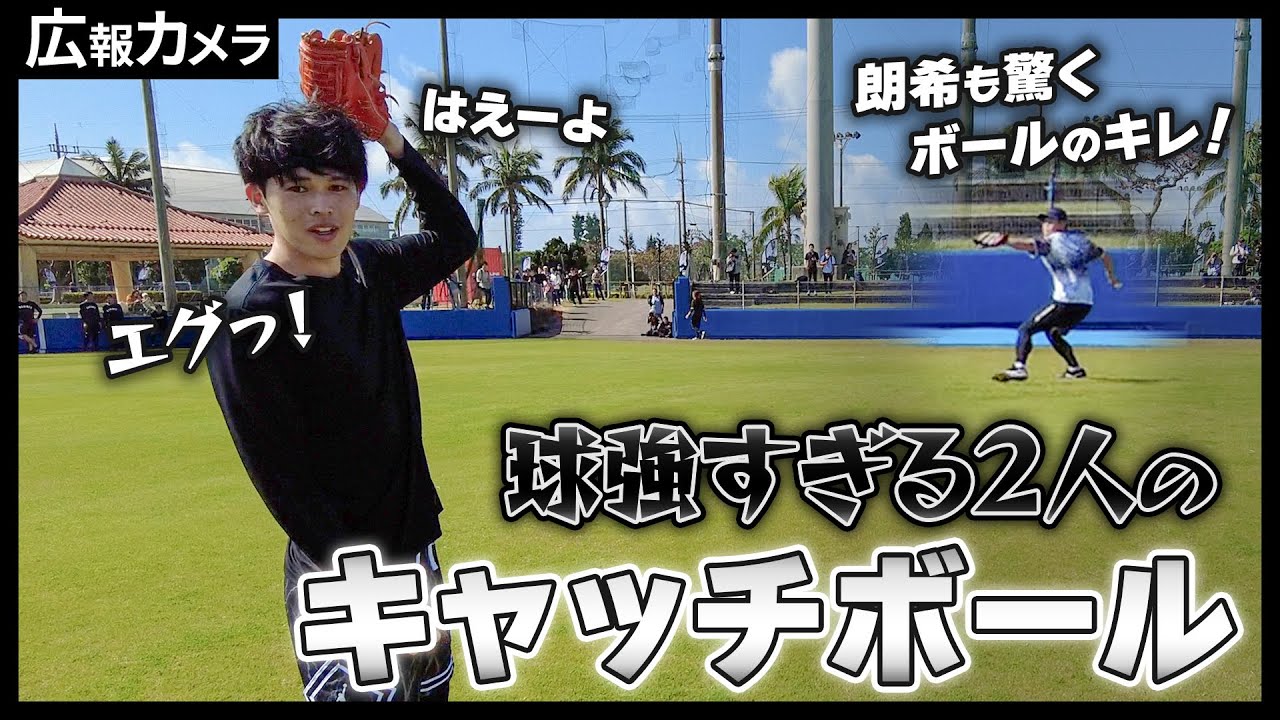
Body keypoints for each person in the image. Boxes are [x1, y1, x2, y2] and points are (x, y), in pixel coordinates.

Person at [205, 100, 477, 702]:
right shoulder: (250, 315)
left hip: (415, 548)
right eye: (297, 188)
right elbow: (284, 482)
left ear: (358, 192)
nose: (321, 207)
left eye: (337, 186)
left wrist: (389, 138)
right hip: (342, 575)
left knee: (431, 694)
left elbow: (456, 237)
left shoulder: (366, 268)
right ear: (258, 196)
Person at [989, 207, 1122, 382]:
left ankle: (1019, 367)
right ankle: (1075, 369)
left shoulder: (1051, 241)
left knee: (1026, 329)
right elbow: (1104, 255)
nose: (1045, 226)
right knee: (1053, 333)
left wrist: (1005, 240)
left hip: (1065, 302)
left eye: (1050, 222)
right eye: (1044, 222)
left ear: (1062, 224)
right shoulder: (1080, 241)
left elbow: (1028, 245)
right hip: (1085, 303)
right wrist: (1111, 276)